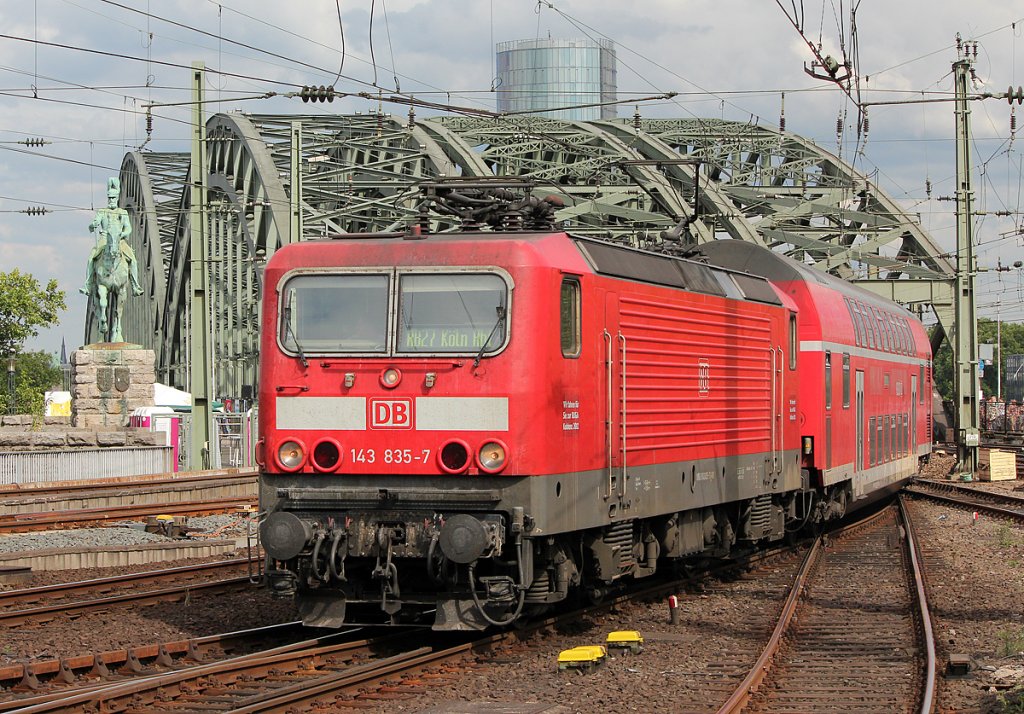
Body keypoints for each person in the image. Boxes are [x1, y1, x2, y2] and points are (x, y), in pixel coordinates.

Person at [80, 177, 144, 297]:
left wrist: (122, 235)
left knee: (133, 260)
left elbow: (128, 228)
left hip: (120, 241)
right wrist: (93, 225)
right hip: (104, 239)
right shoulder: (102, 211)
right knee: (91, 258)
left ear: (117, 198)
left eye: (113, 198)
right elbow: (96, 222)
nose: (111, 200)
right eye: (109, 198)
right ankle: (87, 284)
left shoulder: (122, 212)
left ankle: (135, 286)